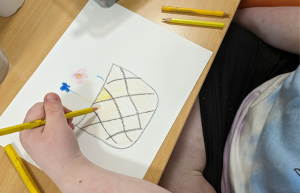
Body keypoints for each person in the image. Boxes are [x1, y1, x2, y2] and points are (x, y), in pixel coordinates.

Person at [20, 6, 299, 193]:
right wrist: (229, 14)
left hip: (229, 180)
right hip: (265, 85)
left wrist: (67, 167)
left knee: (151, 168)